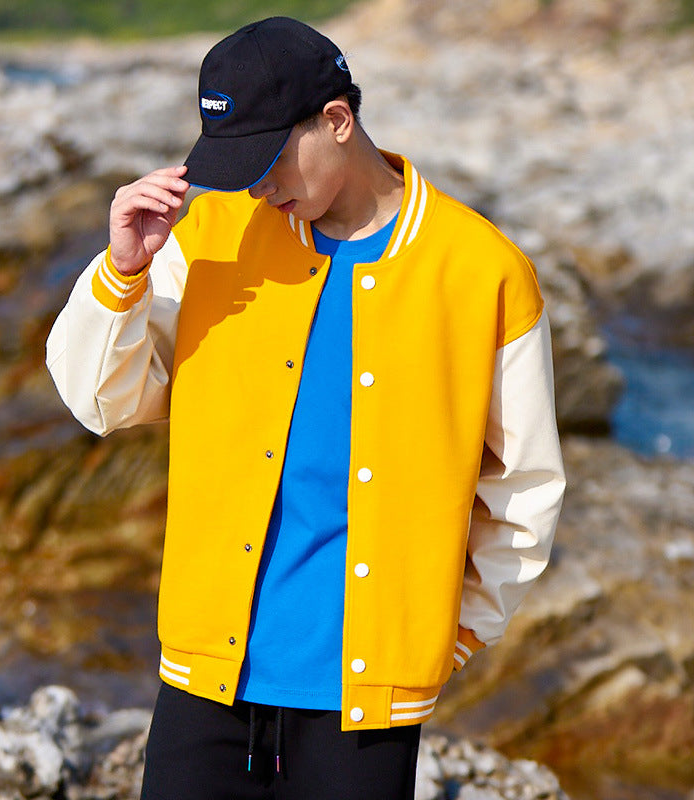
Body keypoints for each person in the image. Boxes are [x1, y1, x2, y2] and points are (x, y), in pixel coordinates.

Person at [46, 16, 566, 800]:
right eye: (238, 167)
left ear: (336, 120)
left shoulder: (483, 271)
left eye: (268, 160)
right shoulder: (209, 236)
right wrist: (123, 272)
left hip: (364, 703)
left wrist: (448, 638)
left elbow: (525, 487)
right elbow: (99, 401)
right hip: (204, 679)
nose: (257, 187)